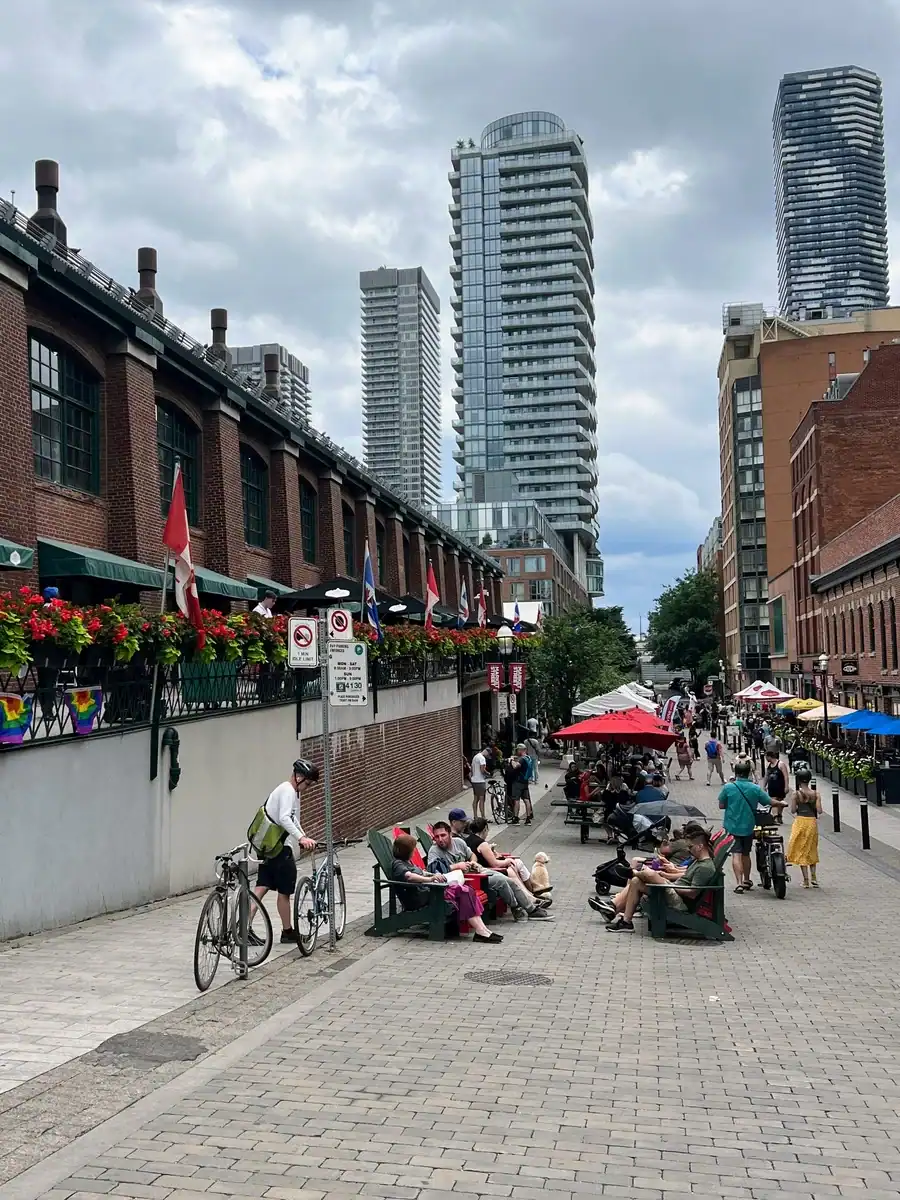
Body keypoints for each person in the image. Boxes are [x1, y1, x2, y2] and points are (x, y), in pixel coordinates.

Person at [427, 822, 552, 920]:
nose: (440, 839)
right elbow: (432, 870)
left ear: (449, 834)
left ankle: (530, 909)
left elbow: (472, 855)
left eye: (443, 835)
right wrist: (456, 866)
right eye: (436, 837)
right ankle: (517, 908)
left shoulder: (458, 842)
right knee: (501, 881)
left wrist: (473, 862)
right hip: (465, 880)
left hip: (476, 870)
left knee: (510, 881)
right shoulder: (434, 851)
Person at [391, 834, 502, 943]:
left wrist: (431, 875)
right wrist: (430, 880)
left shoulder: (407, 862)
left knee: (467, 891)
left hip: (430, 892)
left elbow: (422, 873)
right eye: (413, 849)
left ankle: (483, 930)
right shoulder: (398, 864)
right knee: (462, 891)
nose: (414, 851)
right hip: (422, 898)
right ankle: (481, 931)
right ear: (406, 850)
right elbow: (409, 876)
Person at [254, 758, 319, 943]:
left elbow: (292, 818)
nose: (307, 787)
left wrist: (303, 836)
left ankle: (244, 929)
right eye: (307, 783)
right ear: (298, 777)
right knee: (284, 892)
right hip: (279, 849)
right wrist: (300, 838)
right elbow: (284, 818)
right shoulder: (289, 791)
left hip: (267, 846)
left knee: (261, 887)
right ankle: (287, 931)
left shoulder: (285, 789)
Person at [605, 827, 719, 932]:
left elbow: (692, 894)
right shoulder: (698, 861)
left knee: (651, 874)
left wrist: (670, 885)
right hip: (674, 891)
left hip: (679, 901)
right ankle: (626, 922)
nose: (689, 850)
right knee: (636, 882)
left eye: (691, 847)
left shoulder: (705, 867)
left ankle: (634, 872)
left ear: (700, 846)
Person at [718, 759, 771, 893]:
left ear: (736, 773)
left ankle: (739, 883)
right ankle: (747, 879)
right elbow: (767, 802)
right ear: (748, 773)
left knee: (736, 853)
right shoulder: (755, 788)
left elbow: (721, 805)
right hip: (748, 825)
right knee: (746, 853)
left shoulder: (728, 787)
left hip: (732, 826)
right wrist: (781, 803)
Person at [465, 818, 551, 896]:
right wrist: (507, 861)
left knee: (517, 863)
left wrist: (493, 852)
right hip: (489, 870)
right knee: (514, 865)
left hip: (483, 868)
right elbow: (495, 864)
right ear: (485, 829)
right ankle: (531, 892)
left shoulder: (468, 840)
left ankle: (532, 890)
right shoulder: (482, 844)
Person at [786, 767, 822, 887]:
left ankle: (806, 880)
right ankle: (814, 878)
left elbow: (792, 810)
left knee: (801, 848)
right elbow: (819, 810)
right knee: (811, 848)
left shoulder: (796, 794)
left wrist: (799, 806)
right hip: (811, 822)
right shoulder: (816, 794)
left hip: (800, 821)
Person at [763, 750, 789, 823]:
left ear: (769, 756)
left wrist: (786, 786)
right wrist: (764, 785)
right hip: (772, 787)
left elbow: (786, 776)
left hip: (780, 786)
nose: (765, 759)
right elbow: (766, 776)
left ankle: (779, 815)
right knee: (773, 802)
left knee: (780, 801)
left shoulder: (780, 764)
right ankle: (775, 817)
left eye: (766, 757)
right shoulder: (769, 766)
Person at [469, 744, 490, 821]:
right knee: (482, 799)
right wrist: (487, 773)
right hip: (480, 781)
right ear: (487, 753)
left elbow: (471, 768)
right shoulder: (482, 759)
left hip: (474, 780)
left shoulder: (475, 756)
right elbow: (482, 770)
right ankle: (483, 817)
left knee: (476, 799)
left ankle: (475, 816)